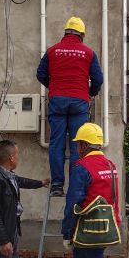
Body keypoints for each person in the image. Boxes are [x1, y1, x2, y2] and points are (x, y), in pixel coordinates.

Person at [62, 123, 120, 258]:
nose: (77, 148)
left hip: (89, 232)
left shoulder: (81, 167)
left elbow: (72, 204)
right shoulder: (110, 164)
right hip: (107, 228)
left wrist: (67, 233)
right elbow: (113, 198)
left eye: (78, 144)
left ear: (84, 145)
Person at [36, 16, 104, 197]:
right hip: (80, 103)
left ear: (65, 32)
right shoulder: (88, 53)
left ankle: (57, 185)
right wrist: (91, 92)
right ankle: (75, 185)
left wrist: (53, 86)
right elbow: (98, 79)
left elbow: (40, 74)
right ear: (82, 34)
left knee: (56, 143)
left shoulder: (52, 51)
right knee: (77, 145)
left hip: (57, 101)